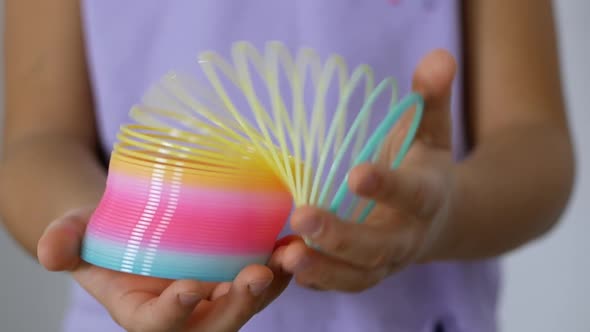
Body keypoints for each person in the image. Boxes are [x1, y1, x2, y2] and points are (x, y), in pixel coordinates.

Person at [0, 0, 574, 331]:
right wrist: (86, 224)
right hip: (133, 306)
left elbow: (535, 143)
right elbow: (37, 139)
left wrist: (445, 213)